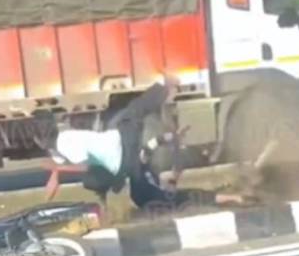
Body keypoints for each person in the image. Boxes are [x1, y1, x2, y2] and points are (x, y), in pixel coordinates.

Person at [44, 79, 249, 210]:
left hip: (131, 158)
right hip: (132, 157)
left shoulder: (137, 181)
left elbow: (152, 146)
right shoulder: (140, 184)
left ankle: (228, 196)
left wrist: (172, 138)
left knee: (133, 117)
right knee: (132, 115)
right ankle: (229, 197)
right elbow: (153, 147)